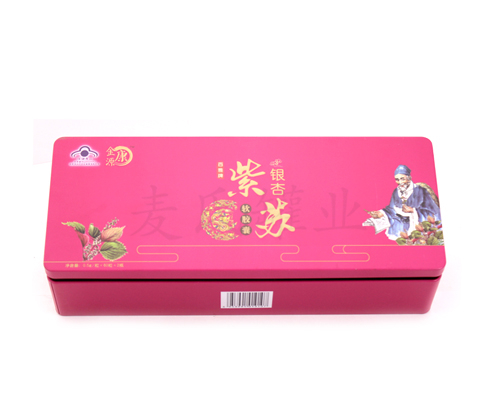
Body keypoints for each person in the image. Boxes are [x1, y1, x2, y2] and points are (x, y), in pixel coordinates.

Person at [366, 165, 441, 240]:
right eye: (397, 180)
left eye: (402, 179)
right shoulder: (396, 192)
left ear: (409, 178)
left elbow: (434, 212)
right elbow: (392, 208)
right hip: (399, 228)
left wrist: (413, 211)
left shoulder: (421, 191)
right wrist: (381, 213)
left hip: (416, 227)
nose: (400, 182)